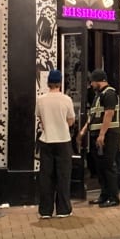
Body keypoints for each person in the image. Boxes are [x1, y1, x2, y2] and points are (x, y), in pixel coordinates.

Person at [37, 69, 76, 218]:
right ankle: (63, 209)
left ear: (48, 83)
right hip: (63, 140)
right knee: (63, 176)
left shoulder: (41, 99)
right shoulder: (66, 99)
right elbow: (71, 120)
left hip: (46, 140)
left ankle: (45, 210)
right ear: (60, 83)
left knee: (46, 176)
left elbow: (40, 118)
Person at [83, 69, 120, 207]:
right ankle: (104, 195)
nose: (91, 84)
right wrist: (84, 130)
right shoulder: (99, 95)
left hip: (108, 135)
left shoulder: (109, 93)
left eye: (92, 82)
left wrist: (102, 134)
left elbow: (109, 114)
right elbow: (93, 115)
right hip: (98, 135)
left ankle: (113, 197)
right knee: (100, 167)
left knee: (108, 166)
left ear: (99, 80)